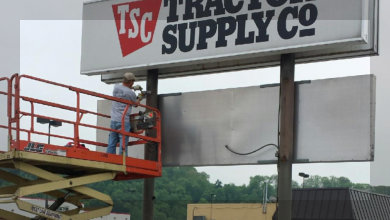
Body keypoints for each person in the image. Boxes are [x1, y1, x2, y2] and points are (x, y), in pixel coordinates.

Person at [107, 72, 141, 155]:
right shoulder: (131, 93)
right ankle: (122, 160)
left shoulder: (116, 87)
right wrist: (140, 97)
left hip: (114, 119)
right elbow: (135, 104)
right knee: (123, 143)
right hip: (123, 121)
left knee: (112, 142)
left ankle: (110, 158)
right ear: (131, 82)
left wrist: (132, 88)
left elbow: (124, 90)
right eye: (133, 82)